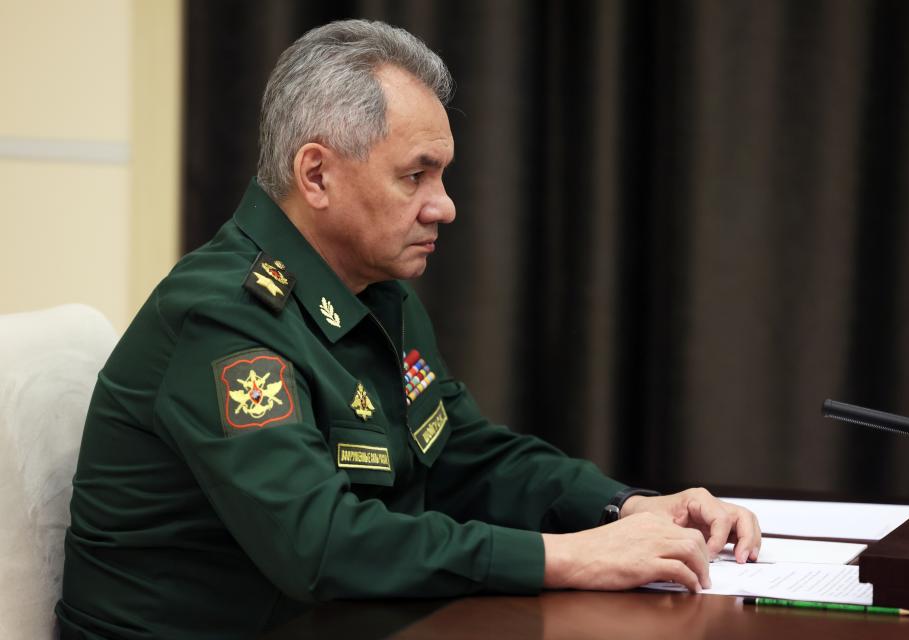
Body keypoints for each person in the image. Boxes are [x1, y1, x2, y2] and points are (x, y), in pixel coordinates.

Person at [56, 19, 760, 639]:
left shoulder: (375, 290)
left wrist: (622, 506)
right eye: (416, 176)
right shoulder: (224, 316)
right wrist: (566, 557)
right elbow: (320, 544)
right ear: (316, 175)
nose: (444, 207)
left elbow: (462, 456)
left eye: (442, 176)